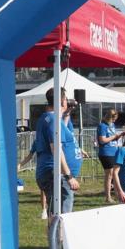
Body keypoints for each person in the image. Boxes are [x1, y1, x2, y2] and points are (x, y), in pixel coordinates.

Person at [34, 88, 80, 217]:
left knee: (55, 214)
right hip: (56, 174)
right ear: (61, 101)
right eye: (65, 99)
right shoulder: (53, 119)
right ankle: (57, 232)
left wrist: (66, 114)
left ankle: (54, 231)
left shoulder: (48, 118)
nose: (67, 102)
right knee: (62, 216)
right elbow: (56, 149)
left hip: (51, 173)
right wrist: (68, 176)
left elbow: (60, 132)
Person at [97, 109, 123, 202]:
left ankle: (117, 194)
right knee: (110, 174)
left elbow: (113, 138)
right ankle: (108, 197)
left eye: (115, 119)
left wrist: (118, 136)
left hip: (114, 151)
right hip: (106, 152)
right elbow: (102, 140)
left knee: (114, 173)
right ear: (109, 117)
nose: (114, 120)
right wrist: (113, 137)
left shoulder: (112, 125)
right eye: (113, 119)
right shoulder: (102, 126)